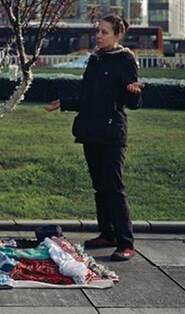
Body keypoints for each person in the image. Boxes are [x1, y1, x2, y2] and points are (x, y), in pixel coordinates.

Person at [44, 14, 144, 262]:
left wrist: (133, 92)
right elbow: (89, 98)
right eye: (97, 31)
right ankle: (107, 234)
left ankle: (125, 242)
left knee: (114, 188)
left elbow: (133, 102)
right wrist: (64, 103)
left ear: (117, 35)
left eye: (104, 32)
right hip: (91, 132)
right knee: (100, 187)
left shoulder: (125, 60)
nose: (98, 36)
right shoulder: (96, 59)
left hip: (112, 133)